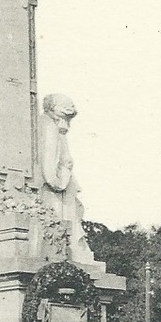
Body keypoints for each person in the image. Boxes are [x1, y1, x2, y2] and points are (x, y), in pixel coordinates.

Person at [39, 93, 94, 263]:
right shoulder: (50, 127)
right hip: (56, 190)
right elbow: (50, 171)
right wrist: (63, 178)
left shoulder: (51, 127)